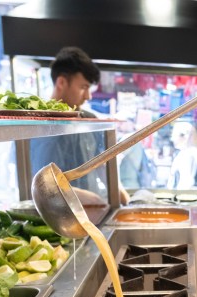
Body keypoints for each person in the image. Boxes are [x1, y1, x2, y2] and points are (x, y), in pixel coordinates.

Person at [29, 47, 129, 204]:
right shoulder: (39, 125)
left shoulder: (89, 120)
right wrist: (94, 200)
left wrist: (123, 198)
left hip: (92, 211)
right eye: (83, 87)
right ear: (61, 82)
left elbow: (101, 166)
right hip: (57, 215)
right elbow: (44, 186)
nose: (88, 96)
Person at [166, 121, 197, 189]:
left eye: (175, 135)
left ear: (184, 136)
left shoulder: (189, 154)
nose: (173, 139)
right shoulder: (183, 153)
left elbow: (186, 182)